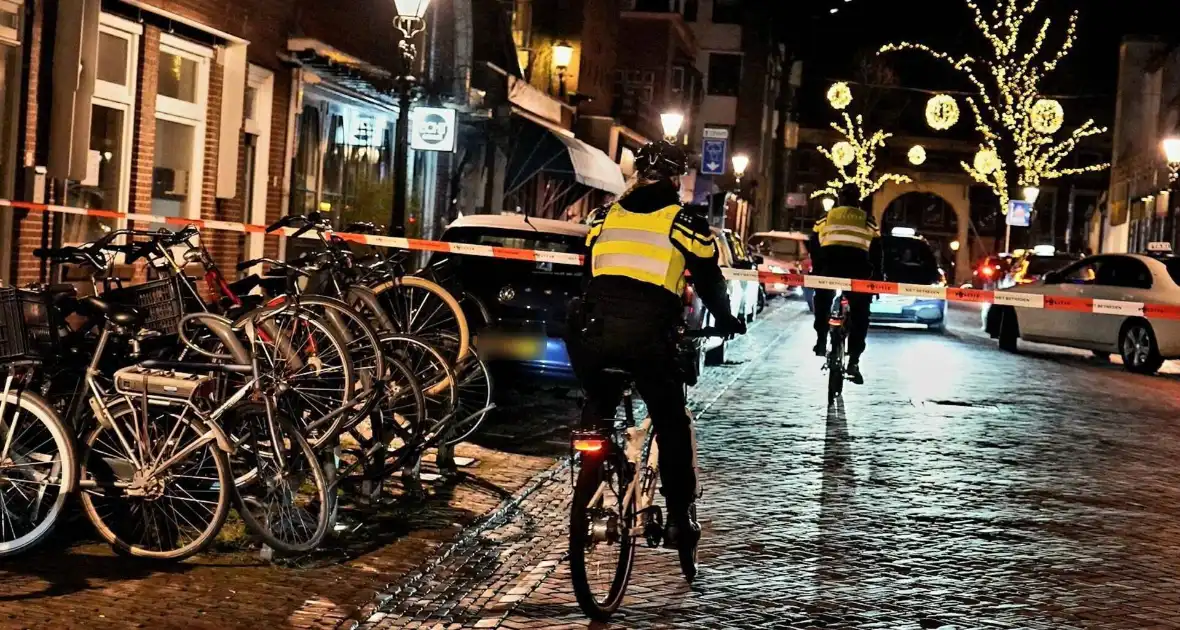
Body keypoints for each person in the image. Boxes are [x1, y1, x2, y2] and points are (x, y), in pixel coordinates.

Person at [568, 140, 746, 552]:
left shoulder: (603, 216)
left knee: (598, 408)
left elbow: (590, 272)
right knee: (670, 422)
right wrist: (725, 319)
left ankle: (589, 483)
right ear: (675, 178)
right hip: (648, 339)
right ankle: (680, 520)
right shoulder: (682, 221)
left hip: (593, 334)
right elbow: (708, 279)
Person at [809, 184, 882, 385]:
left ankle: (821, 340)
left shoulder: (827, 217)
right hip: (858, 271)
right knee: (860, 315)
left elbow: (814, 242)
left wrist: (816, 269)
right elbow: (877, 251)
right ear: (858, 201)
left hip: (830, 268)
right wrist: (876, 278)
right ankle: (854, 362)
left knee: (822, 300)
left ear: (840, 200)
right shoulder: (868, 220)